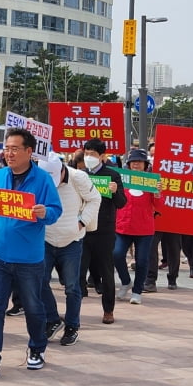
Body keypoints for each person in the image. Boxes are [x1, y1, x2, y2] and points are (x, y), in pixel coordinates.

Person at [0, 128, 61, 381]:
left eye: (14, 149)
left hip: (29, 259)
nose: (8, 154)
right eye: (6, 149)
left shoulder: (42, 179)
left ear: (29, 152)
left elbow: (56, 210)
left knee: (33, 307)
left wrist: (45, 212)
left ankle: (36, 349)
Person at [38, 152, 100, 346]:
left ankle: (72, 326)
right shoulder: (37, 178)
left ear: (62, 169)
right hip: (46, 239)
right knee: (39, 281)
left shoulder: (78, 177)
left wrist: (82, 222)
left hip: (72, 240)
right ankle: (53, 319)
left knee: (72, 287)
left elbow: (95, 199)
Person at [79, 138, 126, 325]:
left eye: (93, 154)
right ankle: (75, 311)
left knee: (106, 272)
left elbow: (122, 203)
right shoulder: (80, 174)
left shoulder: (112, 175)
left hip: (104, 231)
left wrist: (115, 191)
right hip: (82, 228)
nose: (89, 157)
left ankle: (108, 310)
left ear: (102, 156)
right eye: (86, 153)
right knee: (78, 272)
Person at [114, 149, 161, 305]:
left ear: (145, 165)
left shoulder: (151, 182)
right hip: (123, 226)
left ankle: (137, 291)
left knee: (142, 261)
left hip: (144, 229)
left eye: (139, 162)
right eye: (133, 162)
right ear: (128, 164)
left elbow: (160, 206)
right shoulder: (122, 180)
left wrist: (158, 194)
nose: (136, 164)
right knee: (117, 254)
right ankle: (126, 281)